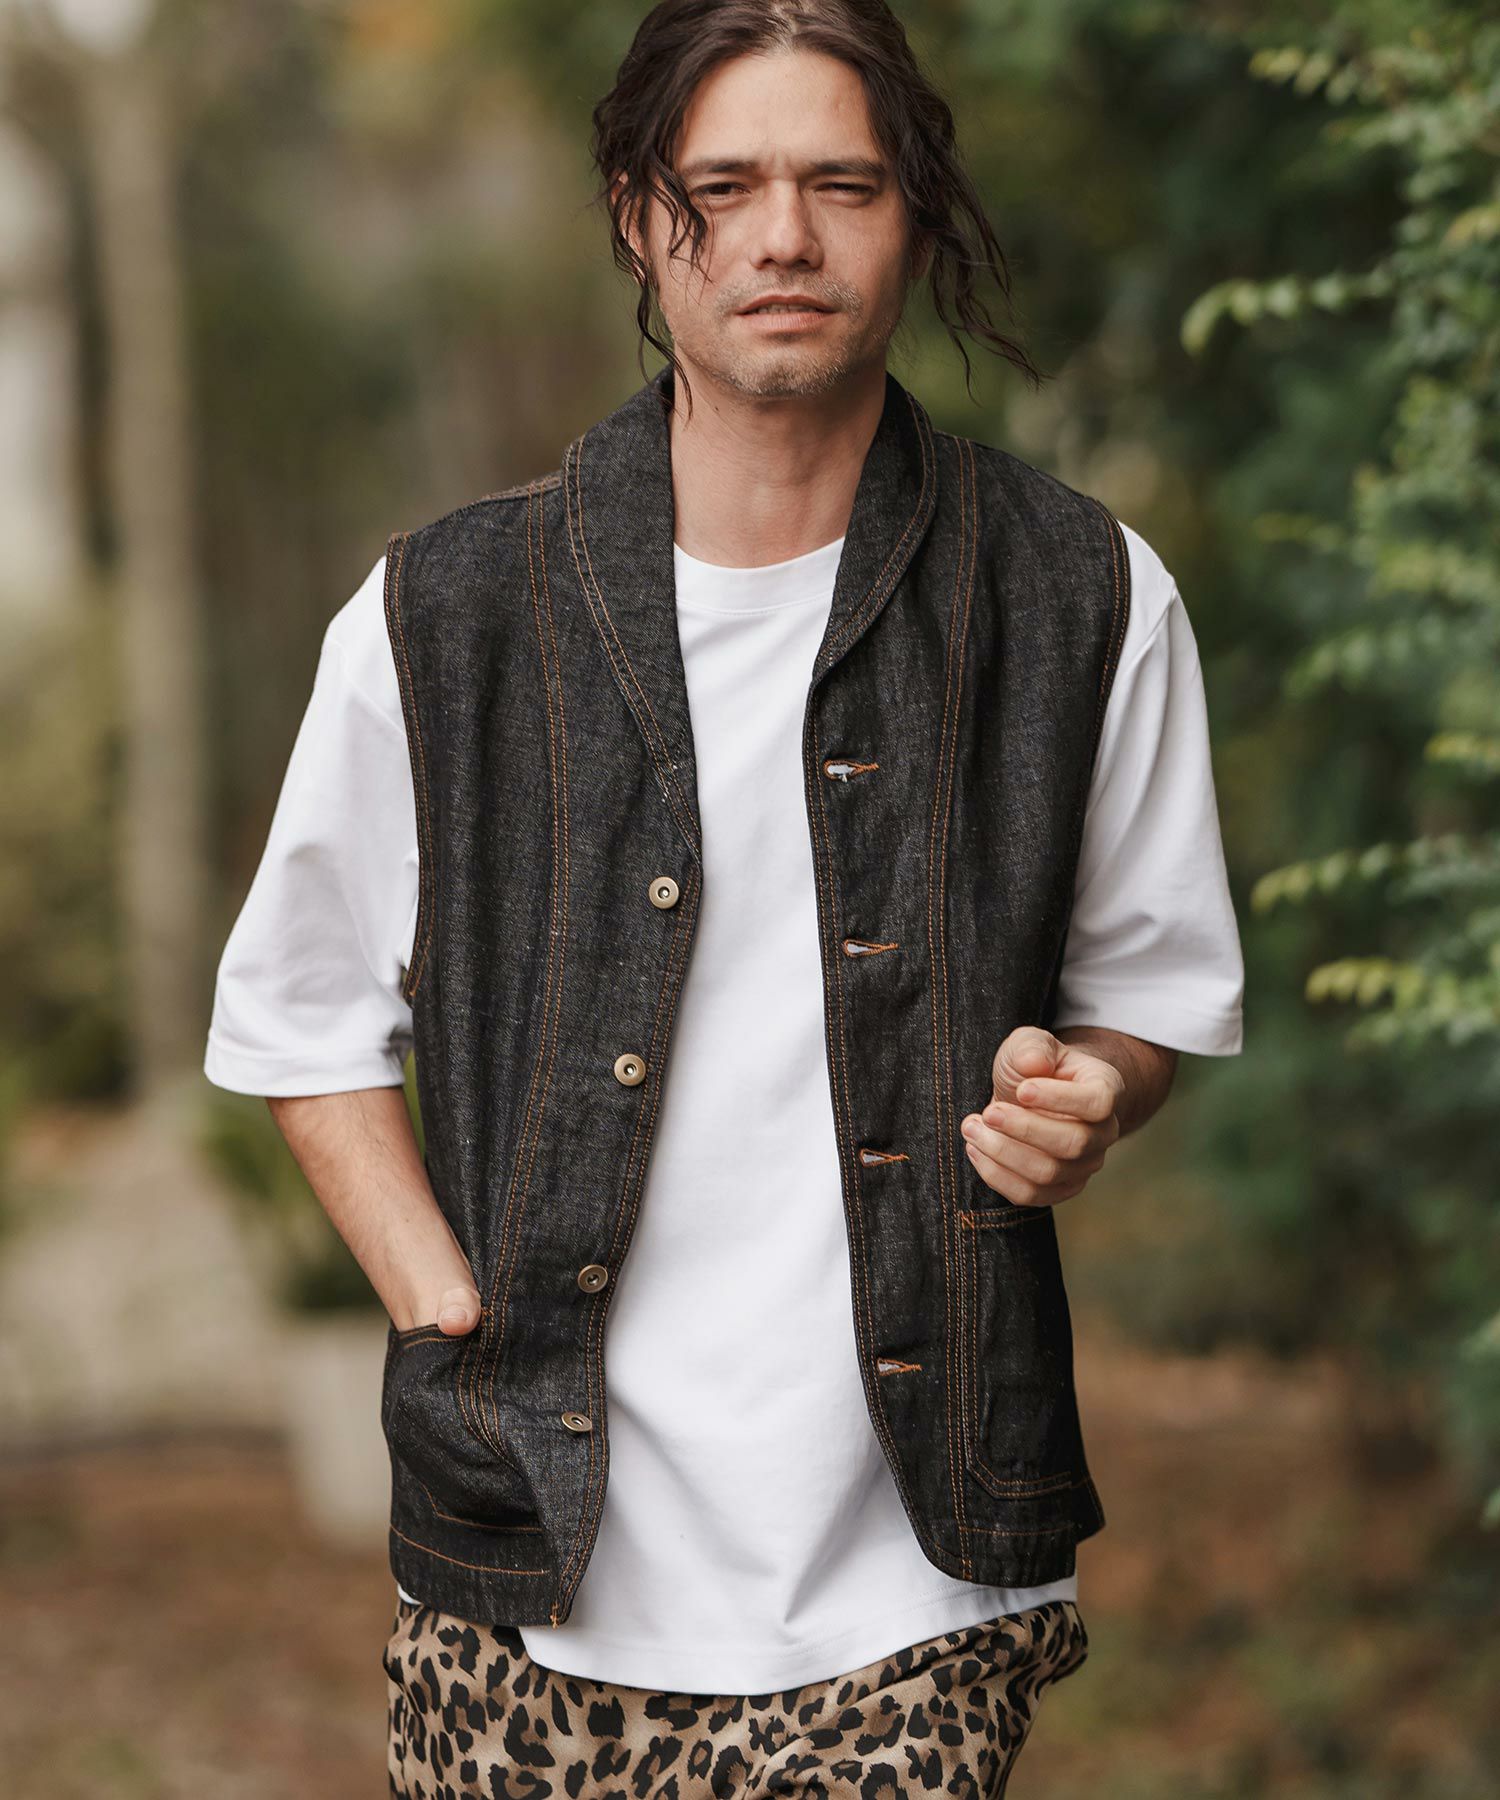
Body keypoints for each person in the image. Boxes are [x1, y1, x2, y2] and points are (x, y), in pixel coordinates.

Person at [205, 1, 1244, 1792]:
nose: (784, 237)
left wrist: (1092, 1093)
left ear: (912, 214)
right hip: (528, 1573)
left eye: (844, 184)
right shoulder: (444, 617)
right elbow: (297, 1019)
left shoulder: (1081, 593)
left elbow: (1148, 993)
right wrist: (443, 1305)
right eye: (726, 187)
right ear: (640, 219)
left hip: (914, 1582)